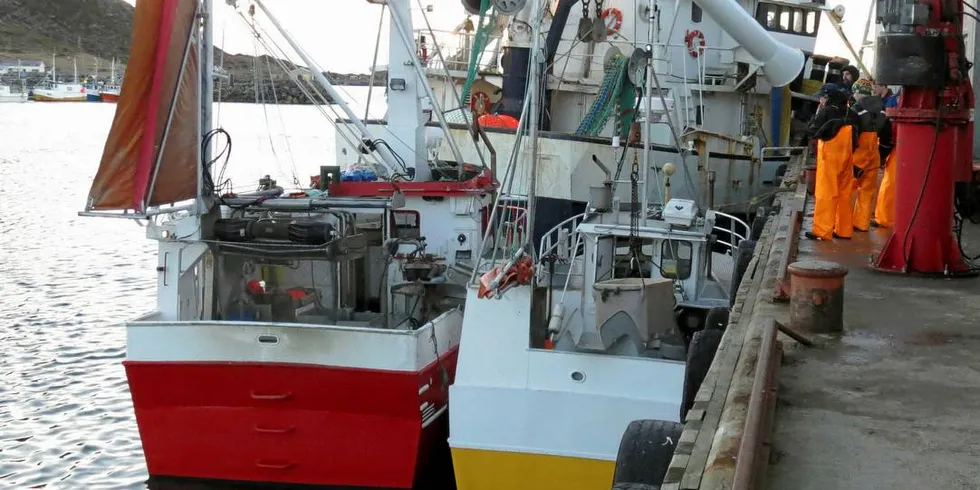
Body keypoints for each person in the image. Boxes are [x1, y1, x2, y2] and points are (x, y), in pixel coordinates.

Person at [805, 83, 857, 241]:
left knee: (826, 193)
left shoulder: (826, 111)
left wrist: (819, 112)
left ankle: (822, 230)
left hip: (830, 157)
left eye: (821, 97)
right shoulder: (851, 112)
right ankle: (844, 230)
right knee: (844, 193)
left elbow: (812, 131)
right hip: (847, 156)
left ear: (827, 97)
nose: (820, 99)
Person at [848, 78, 887, 231]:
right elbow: (886, 134)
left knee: (849, 189)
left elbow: (852, 134)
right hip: (874, 155)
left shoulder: (856, 109)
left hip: (859, 155)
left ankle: (844, 223)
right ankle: (862, 224)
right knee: (867, 190)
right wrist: (882, 156)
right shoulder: (881, 109)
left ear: (857, 92)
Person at [873, 84, 897, 228]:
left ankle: (885, 219)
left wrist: (882, 154)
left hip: (895, 147)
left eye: (876, 86)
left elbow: (887, 132)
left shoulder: (891, 100)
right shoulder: (892, 99)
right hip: (896, 146)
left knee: (889, 184)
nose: (874, 89)